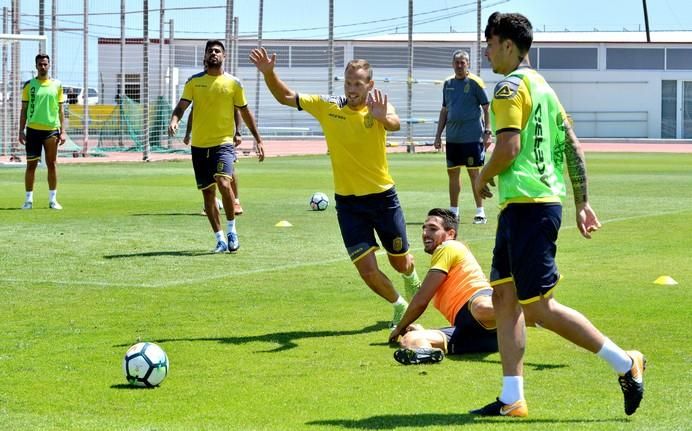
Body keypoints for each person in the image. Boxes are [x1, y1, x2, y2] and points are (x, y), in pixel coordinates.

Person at [471, 12, 645, 418]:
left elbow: (509, 147)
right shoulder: (544, 88)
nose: (487, 51)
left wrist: (480, 177)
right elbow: (573, 146)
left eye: (491, 43)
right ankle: (512, 397)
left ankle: (626, 362)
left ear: (508, 46)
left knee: (538, 308)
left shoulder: (509, 87)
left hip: (530, 207)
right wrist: (582, 202)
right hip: (527, 207)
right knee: (504, 298)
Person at [250, 47, 421, 328]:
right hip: (349, 204)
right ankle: (399, 306)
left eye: (358, 83)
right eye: (348, 82)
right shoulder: (329, 106)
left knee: (400, 263)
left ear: (370, 85)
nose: (352, 89)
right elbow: (285, 97)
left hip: (383, 199)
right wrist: (270, 74)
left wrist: (381, 117)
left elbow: (394, 123)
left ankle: (410, 277)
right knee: (366, 270)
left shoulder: (379, 105)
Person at [168, 40, 264, 253]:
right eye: (210, 51)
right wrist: (175, 120)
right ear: (205, 56)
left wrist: (257, 138)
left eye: (218, 51)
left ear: (224, 56)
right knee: (208, 194)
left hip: (223, 144)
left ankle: (231, 230)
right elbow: (183, 107)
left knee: (223, 183)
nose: (214, 53)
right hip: (199, 146)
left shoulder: (234, 84)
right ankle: (219, 239)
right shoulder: (194, 82)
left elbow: (244, 111)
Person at [388, 208, 497, 365]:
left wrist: (399, 327)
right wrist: (410, 274)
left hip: (481, 308)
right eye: (424, 228)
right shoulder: (439, 268)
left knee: (481, 307)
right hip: (475, 336)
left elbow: (421, 301)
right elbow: (419, 296)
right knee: (411, 339)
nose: (425, 233)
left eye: (433, 228)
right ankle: (424, 353)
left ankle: (524, 311)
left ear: (451, 234)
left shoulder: (448, 247)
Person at [433, 50, 491, 224]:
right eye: (457, 62)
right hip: (453, 138)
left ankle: (480, 212)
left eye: (462, 62)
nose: (459, 65)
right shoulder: (448, 84)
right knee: (453, 174)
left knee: (474, 174)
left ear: (468, 64)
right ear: (453, 64)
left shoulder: (475, 83)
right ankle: (453, 212)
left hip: (472, 137)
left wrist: (488, 131)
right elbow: (444, 110)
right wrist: (438, 135)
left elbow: (486, 107)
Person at [18, 53, 67, 210]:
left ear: (49, 65)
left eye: (45, 64)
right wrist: (21, 130)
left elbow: (60, 110)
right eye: (40, 64)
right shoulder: (29, 85)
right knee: (31, 166)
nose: (43, 66)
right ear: (36, 66)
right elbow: (24, 109)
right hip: (33, 130)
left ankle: (53, 200)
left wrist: (63, 131)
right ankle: (28, 200)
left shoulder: (57, 85)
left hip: (51, 131)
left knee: (52, 164)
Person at [185, 107, 246, 216]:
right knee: (208, 171)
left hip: (223, 139)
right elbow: (193, 111)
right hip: (203, 140)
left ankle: (235, 202)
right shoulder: (200, 90)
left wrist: (238, 132)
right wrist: (188, 133)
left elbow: (237, 110)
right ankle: (213, 202)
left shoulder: (228, 90)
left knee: (229, 170)